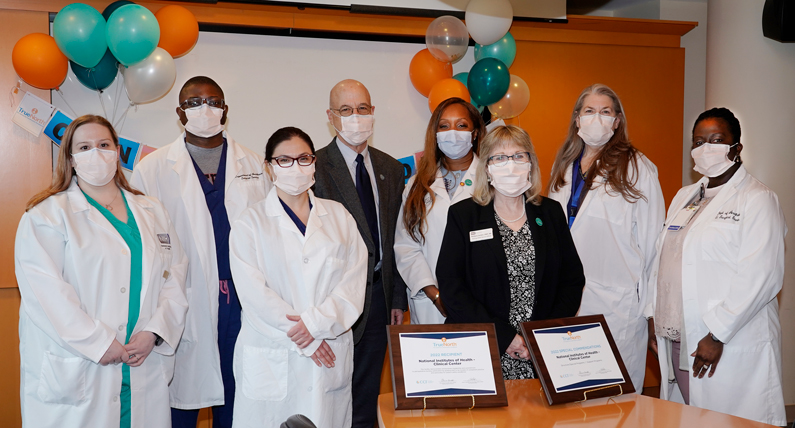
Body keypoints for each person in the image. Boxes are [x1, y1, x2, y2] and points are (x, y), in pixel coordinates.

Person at [15, 115, 188, 428]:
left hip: (141, 361)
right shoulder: (46, 216)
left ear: (117, 151)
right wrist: (97, 342)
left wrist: (156, 332)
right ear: (70, 158)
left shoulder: (152, 210)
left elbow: (175, 274)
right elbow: (47, 296)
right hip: (82, 366)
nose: (96, 153)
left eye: (104, 144)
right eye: (84, 146)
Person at [131, 76, 271, 428]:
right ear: (180, 112)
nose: (205, 108)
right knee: (182, 400)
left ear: (226, 110)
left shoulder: (254, 165)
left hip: (243, 300)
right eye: (194, 102)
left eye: (213, 100)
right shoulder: (153, 168)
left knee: (240, 398)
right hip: (186, 299)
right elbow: (144, 244)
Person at [647, 108, 786, 426]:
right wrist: (654, 318)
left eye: (717, 140)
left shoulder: (758, 199)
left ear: (736, 148)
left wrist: (717, 335)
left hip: (723, 339)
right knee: (688, 416)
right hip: (678, 334)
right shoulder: (685, 196)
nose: (706, 148)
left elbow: (761, 275)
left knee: (728, 420)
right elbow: (664, 260)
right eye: (699, 141)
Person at [230, 127, 366, 427]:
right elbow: (255, 295)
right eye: (284, 160)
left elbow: (353, 283)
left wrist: (316, 326)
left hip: (328, 347)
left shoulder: (339, 216)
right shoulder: (249, 223)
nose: (295, 167)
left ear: (314, 162)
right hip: (274, 351)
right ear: (269, 167)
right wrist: (307, 338)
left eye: (303, 158)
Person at [437, 125, 585, 379]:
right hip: (483, 349)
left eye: (519, 156)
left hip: (539, 352)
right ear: (486, 167)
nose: (510, 164)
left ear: (531, 163)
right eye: (500, 158)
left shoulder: (549, 213)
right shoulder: (464, 215)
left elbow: (572, 281)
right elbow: (452, 287)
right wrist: (504, 337)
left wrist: (539, 336)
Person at [547, 84, 665, 390]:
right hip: (567, 300)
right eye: (589, 111)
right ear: (576, 119)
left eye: (605, 112)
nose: (596, 118)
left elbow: (655, 245)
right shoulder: (563, 166)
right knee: (569, 391)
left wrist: (652, 310)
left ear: (617, 121)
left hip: (617, 303)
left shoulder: (638, 168)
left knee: (615, 396)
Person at [313, 79, 408, 428]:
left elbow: (398, 238)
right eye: (346, 110)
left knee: (366, 396)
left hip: (381, 296)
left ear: (373, 113)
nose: (356, 117)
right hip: (333, 299)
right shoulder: (315, 167)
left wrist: (398, 296)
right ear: (330, 116)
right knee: (331, 393)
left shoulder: (392, 168)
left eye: (362, 109)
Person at [394, 97, 485, 325]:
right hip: (431, 304)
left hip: (482, 301)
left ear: (474, 133)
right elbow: (406, 247)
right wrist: (434, 294)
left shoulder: (492, 181)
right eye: (444, 126)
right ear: (435, 134)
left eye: (461, 125)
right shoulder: (416, 186)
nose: (452, 133)